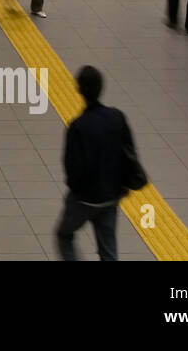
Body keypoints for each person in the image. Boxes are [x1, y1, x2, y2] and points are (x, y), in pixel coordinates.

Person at [56, 66, 139, 261]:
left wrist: (75, 192)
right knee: (108, 246)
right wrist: (124, 185)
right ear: (102, 88)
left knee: (64, 235)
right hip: (111, 195)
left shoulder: (78, 127)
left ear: (79, 90)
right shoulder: (117, 117)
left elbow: (72, 168)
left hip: (84, 198)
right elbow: (129, 153)